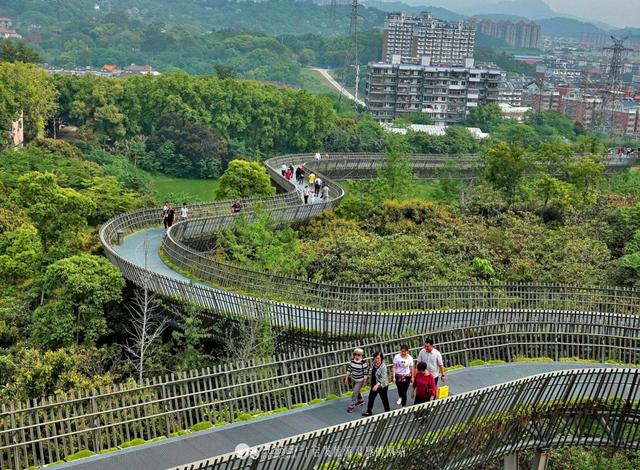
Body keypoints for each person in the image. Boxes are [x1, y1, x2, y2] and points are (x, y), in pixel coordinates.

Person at [362, 351, 390, 417]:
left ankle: (388, 411)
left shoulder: (383, 367)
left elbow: (383, 378)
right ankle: (369, 411)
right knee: (371, 397)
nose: (376, 360)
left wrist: (377, 385)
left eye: (378, 358)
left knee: (384, 398)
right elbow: (370, 372)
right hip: (374, 385)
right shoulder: (373, 364)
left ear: (381, 359)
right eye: (375, 358)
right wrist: (366, 381)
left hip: (382, 386)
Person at [344, 348, 368, 413]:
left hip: (360, 380)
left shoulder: (363, 363)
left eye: (358, 355)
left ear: (361, 355)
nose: (357, 356)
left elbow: (365, 372)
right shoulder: (352, 361)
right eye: (355, 354)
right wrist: (346, 378)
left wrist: (365, 381)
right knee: (357, 390)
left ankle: (352, 405)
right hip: (354, 379)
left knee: (355, 392)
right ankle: (360, 400)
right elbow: (349, 370)